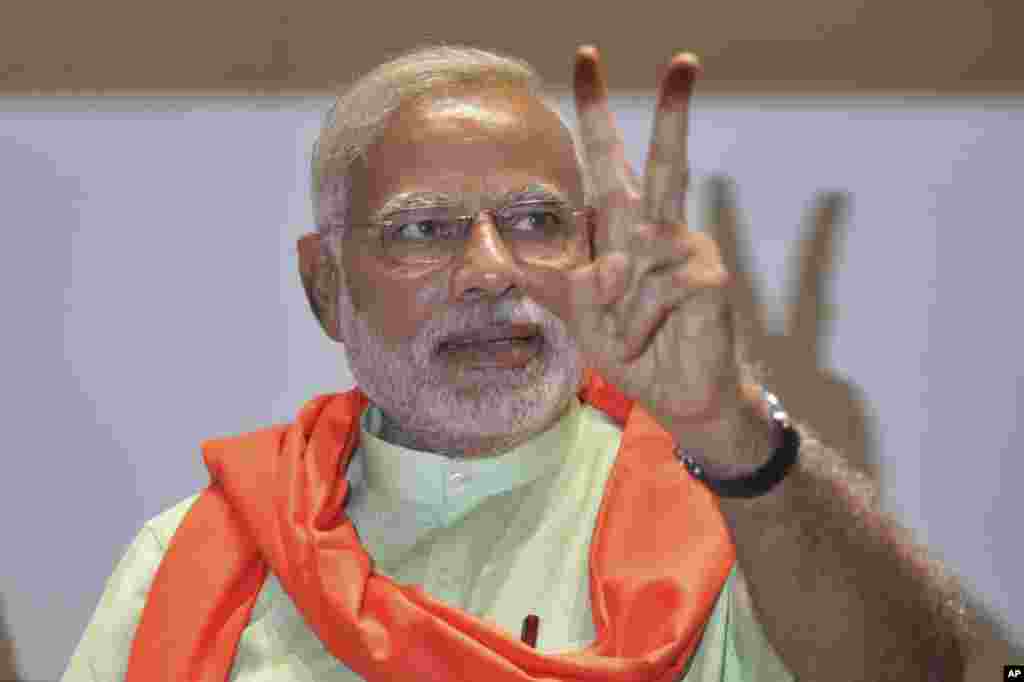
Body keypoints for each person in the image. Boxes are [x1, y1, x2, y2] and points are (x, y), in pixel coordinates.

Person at [61, 44, 981, 681]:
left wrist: (734, 429)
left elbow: (936, 672)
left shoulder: (741, 519)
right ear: (325, 285)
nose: (491, 271)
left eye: (536, 221)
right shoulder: (200, 561)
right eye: (424, 229)